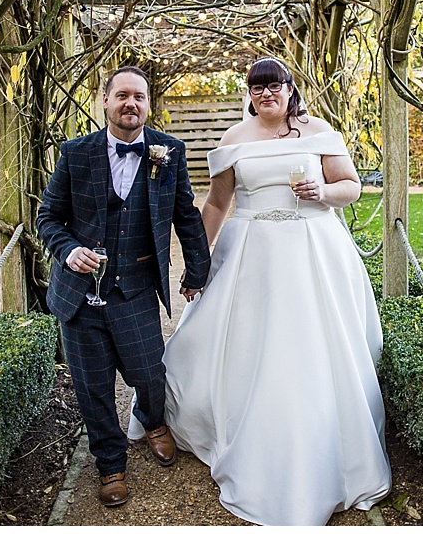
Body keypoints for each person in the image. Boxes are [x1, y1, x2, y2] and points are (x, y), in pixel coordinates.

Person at [143, 57, 391, 525]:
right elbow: (217, 203)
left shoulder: (318, 130)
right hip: (251, 254)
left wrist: (322, 191)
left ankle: (321, 440)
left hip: (313, 248)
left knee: (312, 348)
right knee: (245, 343)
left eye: (273, 86)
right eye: (256, 88)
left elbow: (352, 187)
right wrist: (197, 262)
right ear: (249, 95)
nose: (265, 95)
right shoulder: (235, 140)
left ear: (289, 88)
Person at [35, 65, 212, 508]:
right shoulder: (75, 153)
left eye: (139, 97)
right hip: (79, 295)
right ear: (106, 101)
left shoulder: (168, 151)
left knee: (149, 373)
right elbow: (47, 218)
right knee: (92, 386)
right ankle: (110, 464)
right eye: (122, 96)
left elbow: (186, 216)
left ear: (148, 105)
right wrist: (68, 250)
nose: (130, 103)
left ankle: (154, 423)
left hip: (134, 288)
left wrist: (197, 271)